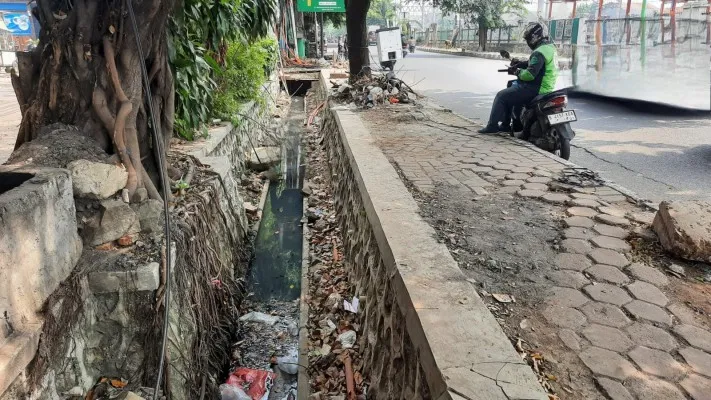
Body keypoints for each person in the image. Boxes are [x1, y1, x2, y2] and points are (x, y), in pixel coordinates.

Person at [478, 22, 559, 134]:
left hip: (535, 88)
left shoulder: (539, 52)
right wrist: (521, 64)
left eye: (529, 39)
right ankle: (508, 125)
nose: (528, 42)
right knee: (512, 86)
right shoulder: (550, 48)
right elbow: (538, 65)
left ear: (534, 38)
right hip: (548, 87)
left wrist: (516, 71)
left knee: (501, 96)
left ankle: (492, 126)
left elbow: (530, 75)